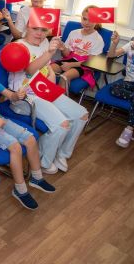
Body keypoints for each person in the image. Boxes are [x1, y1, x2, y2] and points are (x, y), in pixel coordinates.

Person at [0, 53, 55, 211]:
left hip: (0, 119)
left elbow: (10, 95)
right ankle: (20, 190)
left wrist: (17, 95)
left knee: (31, 139)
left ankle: (37, 178)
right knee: (15, 147)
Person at [9, 25, 89, 174]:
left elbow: (47, 67)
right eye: (35, 29)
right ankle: (43, 159)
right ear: (27, 27)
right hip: (24, 96)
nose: (40, 33)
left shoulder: (45, 42)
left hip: (43, 88)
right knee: (63, 124)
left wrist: (51, 78)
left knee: (81, 115)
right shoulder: (18, 46)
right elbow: (29, 70)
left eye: (44, 30)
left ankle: (62, 153)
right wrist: (50, 52)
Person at [51, 6, 104, 89]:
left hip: (84, 65)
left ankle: (59, 97)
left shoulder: (98, 39)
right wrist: (63, 48)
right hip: (69, 60)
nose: (87, 23)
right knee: (48, 70)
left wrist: (71, 65)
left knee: (64, 77)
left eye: (91, 20)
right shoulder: (73, 33)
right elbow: (66, 55)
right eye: (84, 19)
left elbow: (90, 63)